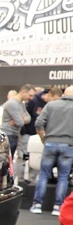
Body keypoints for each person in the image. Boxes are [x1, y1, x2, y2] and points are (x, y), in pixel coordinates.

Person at [30, 85, 73, 216]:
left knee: (44, 175)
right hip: (68, 145)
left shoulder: (51, 105)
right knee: (63, 177)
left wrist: (44, 138)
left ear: (64, 94)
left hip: (50, 143)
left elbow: (38, 123)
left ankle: (37, 205)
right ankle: (58, 207)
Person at [1, 85, 32, 157]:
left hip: (14, 135)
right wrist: (22, 118)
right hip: (9, 135)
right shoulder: (12, 103)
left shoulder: (21, 104)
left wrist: (20, 119)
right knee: (7, 158)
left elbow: (29, 118)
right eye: (30, 95)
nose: (31, 98)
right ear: (24, 92)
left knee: (11, 158)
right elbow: (20, 123)